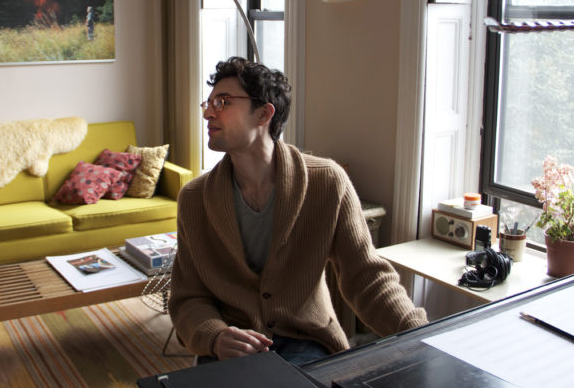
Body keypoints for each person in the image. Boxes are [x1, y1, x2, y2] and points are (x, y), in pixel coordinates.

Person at [169, 57, 428, 366]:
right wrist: (215, 336)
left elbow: (367, 278)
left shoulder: (327, 182)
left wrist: (419, 337)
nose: (209, 112)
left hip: (307, 340)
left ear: (264, 114)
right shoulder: (194, 200)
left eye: (223, 102)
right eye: (208, 103)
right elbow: (188, 297)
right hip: (231, 347)